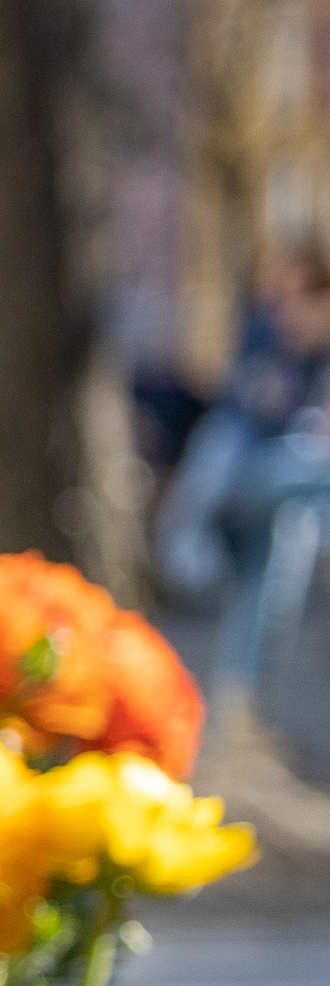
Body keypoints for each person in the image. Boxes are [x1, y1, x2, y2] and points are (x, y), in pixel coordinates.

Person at [151, 239, 330, 690]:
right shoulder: (267, 331)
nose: (282, 303)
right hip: (264, 469)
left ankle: (244, 690)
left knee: (279, 552)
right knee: (271, 549)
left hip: (294, 470)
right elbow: (242, 395)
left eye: (295, 292)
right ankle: (244, 692)